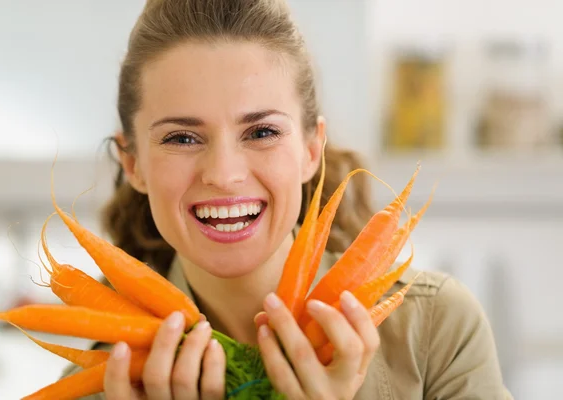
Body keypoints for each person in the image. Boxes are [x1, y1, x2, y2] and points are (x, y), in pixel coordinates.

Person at [61, 0, 513, 398]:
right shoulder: (106, 382)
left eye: (261, 132)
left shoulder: (436, 330)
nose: (224, 174)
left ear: (311, 150)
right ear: (132, 163)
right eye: (182, 137)